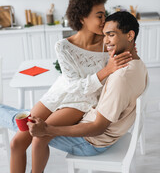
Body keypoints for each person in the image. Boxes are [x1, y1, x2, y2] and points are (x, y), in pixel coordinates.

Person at [8, 0, 131, 173]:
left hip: (82, 101)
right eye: (99, 15)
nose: (104, 20)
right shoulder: (63, 47)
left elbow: (126, 65)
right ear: (82, 17)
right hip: (59, 93)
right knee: (17, 142)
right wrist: (105, 71)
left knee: (40, 137)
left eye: (104, 14)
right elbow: (72, 84)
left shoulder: (109, 43)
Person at [26, 11, 148, 173]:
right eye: (104, 35)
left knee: (37, 135)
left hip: (92, 142)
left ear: (130, 35)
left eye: (111, 35)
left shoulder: (121, 77)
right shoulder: (138, 65)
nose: (106, 41)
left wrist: (47, 130)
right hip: (107, 130)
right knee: (50, 114)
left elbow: (98, 128)